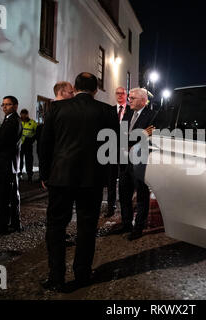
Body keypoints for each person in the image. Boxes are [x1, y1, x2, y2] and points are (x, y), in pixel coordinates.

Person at [39, 72, 118, 292]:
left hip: (61, 177)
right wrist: (105, 176)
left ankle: (56, 277)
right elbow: (112, 149)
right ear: (95, 90)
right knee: (87, 227)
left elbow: (45, 145)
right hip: (92, 179)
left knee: (55, 227)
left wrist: (45, 175)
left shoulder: (56, 108)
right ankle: (82, 274)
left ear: (75, 87)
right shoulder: (107, 111)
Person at [119, 88, 155, 241]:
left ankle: (138, 227)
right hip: (124, 159)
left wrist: (135, 140)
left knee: (141, 194)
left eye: (132, 98)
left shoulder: (152, 115)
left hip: (140, 160)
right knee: (124, 193)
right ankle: (126, 223)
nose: (129, 101)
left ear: (143, 100)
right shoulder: (127, 114)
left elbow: (151, 135)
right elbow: (121, 134)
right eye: (129, 98)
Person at [0, 96, 23, 235]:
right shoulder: (10, 119)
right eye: (3, 104)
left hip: (6, 164)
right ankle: (14, 223)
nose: (4, 107)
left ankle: (2, 226)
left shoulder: (13, 121)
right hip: (10, 164)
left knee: (3, 197)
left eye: (8, 104)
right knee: (12, 196)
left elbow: (3, 141)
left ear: (15, 106)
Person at [104, 87, 130, 218]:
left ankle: (125, 207)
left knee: (125, 180)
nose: (120, 95)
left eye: (122, 93)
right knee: (111, 180)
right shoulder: (109, 110)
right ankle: (111, 206)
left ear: (126, 95)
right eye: (117, 93)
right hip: (111, 150)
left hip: (126, 150)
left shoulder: (131, 111)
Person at [19, 109, 37, 182]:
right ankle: (19, 174)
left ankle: (29, 176)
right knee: (19, 160)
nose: (23, 116)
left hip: (28, 144)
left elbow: (37, 132)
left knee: (29, 160)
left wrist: (31, 140)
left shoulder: (32, 122)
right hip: (20, 144)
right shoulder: (18, 121)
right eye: (22, 114)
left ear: (27, 114)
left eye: (25, 114)